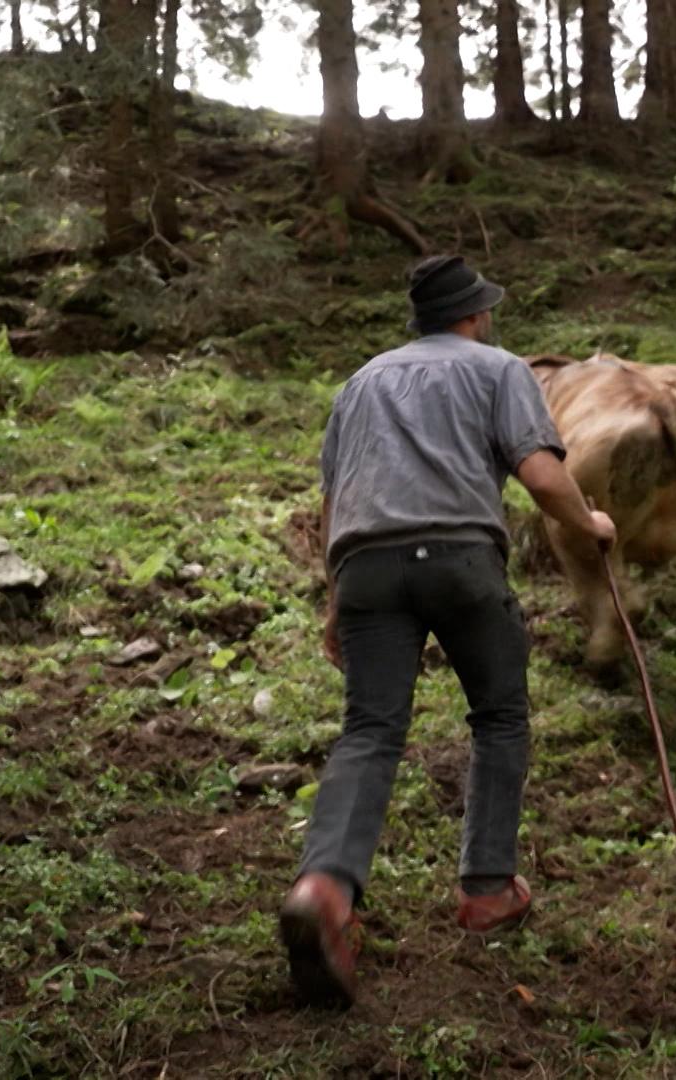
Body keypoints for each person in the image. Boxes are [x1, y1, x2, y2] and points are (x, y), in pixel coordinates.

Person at [279, 255, 616, 1008]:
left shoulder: (360, 383)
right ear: (475, 315)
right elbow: (537, 472)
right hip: (461, 560)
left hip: (364, 567)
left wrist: (337, 599)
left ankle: (326, 890)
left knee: (369, 728)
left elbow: (335, 499)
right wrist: (588, 523)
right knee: (498, 717)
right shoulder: (499, 370)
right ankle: (487, 889)